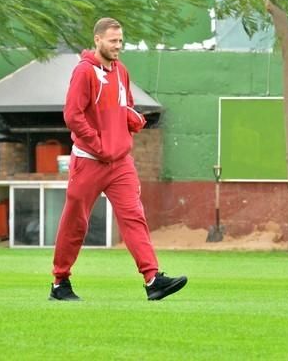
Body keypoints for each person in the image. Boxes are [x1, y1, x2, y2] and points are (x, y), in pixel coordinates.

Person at [50, 17, 187, 301]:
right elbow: (72, 116)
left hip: (120, 163)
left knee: (134, 216)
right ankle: (60, 282)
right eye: (113, 41)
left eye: (121, 41)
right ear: (98, 39)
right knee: (76, 223)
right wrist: (98, 144)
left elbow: (124, 107)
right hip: (89, 160)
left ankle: (153, 280)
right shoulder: (84, 72)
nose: (118, 46)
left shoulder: (120, 71)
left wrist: (134, 120)